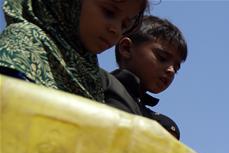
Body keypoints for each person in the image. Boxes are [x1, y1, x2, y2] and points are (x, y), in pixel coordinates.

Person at [0, 0, 146, 101]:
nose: (116, 29)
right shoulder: (24, 42)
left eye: (125, 25)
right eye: (109, 12)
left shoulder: (90, 72)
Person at [102, 15, 186, 139]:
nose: (171, 70)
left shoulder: (163, 125)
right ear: (126, 48)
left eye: (176, 68)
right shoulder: (98, 83)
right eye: (162, 58)